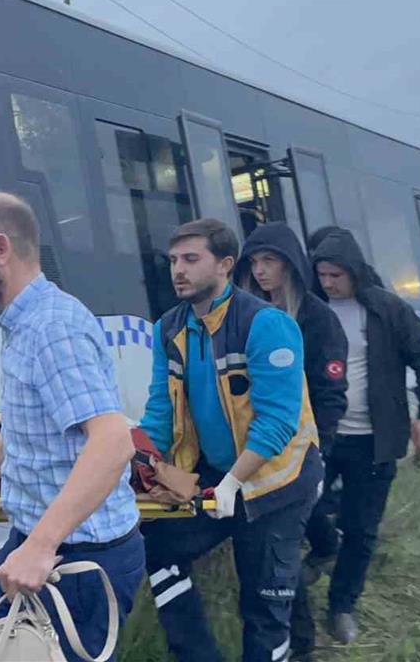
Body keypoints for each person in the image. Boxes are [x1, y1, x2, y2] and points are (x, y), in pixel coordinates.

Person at [0, 192, 144, 662]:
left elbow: (112, 442)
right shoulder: (22, 323)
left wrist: (41, 548)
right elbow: (29, 412)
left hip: (80, 561)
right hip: (33, 543)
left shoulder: (52, 329)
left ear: (0, 248)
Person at [140, 217, 322, 662]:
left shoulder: (267, 325)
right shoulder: (169, 328)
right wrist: (142, 463)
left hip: (278, 483)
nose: (177, 270)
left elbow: (278, 423)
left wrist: (231, 483)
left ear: (225, 264)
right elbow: (160, 413)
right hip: (219, 475)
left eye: (190, 259)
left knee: (263, 610)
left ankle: (293, 647)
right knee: (157, 545)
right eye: (172, 261)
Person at [310, 229, 420, 645]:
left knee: (362, 528)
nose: (329, 282)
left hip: (374, 439)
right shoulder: (310, 310)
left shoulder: (387, 309)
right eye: (322, 274)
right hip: (322, 435)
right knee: (301, 505)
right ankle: (324, 546)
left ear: (354, 271)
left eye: (336, 275)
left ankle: (342, 606)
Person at [236, 222, 349, 660]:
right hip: (258, 455)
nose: (261, 271)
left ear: (291, 264)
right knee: (278, 554)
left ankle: (300, 644)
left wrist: (318, 454)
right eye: (255, 263)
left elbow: (329, 395)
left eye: (270, 262)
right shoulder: (246, 316)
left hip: (302, 458)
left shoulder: (320, 320)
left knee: (281, 552)